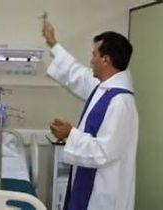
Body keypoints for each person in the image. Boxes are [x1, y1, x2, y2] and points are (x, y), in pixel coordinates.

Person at [42, 21, 138, 210]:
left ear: (106, 60)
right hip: (90, 183)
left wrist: (71, 134)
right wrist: (53, 42)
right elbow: (76, 73)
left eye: (94, 54)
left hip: (103, 193)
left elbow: (103, 152)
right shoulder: (104, 88)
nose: (91, 60)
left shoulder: (120, 102)